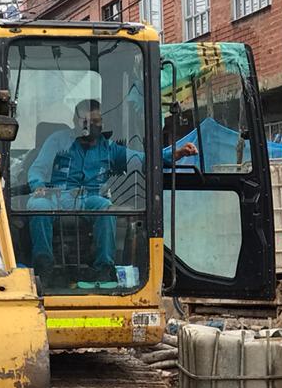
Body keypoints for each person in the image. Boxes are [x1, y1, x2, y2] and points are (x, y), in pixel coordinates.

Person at [27, 98, 197, 284]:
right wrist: (38, 186)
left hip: (89, 198)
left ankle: (103, 268)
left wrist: (176, 153)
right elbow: (38, 169)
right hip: (56, 196)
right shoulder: (57, 140)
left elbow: (142, 159)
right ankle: (44, 268)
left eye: (96, 122)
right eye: (87, 121)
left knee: (106, 208)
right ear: (76, 121)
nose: (92, 126)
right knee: (37, 205)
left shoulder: (109, 149)